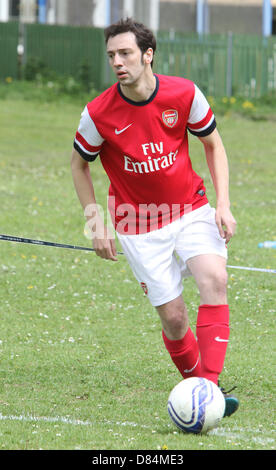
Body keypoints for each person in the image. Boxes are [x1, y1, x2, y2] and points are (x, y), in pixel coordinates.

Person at [71, 18, 239, 417]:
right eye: (111, 55)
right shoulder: (97, 114)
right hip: (138, 224)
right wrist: (96, 223)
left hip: (191, 207)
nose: (117, 61)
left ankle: (208, 393)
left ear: (148, 55)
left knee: (215, 279)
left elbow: (213, 145)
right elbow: (79, 166)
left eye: (126, 53)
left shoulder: (184, 93)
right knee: (175, 319)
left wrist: (224, 203)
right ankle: (198, 383)